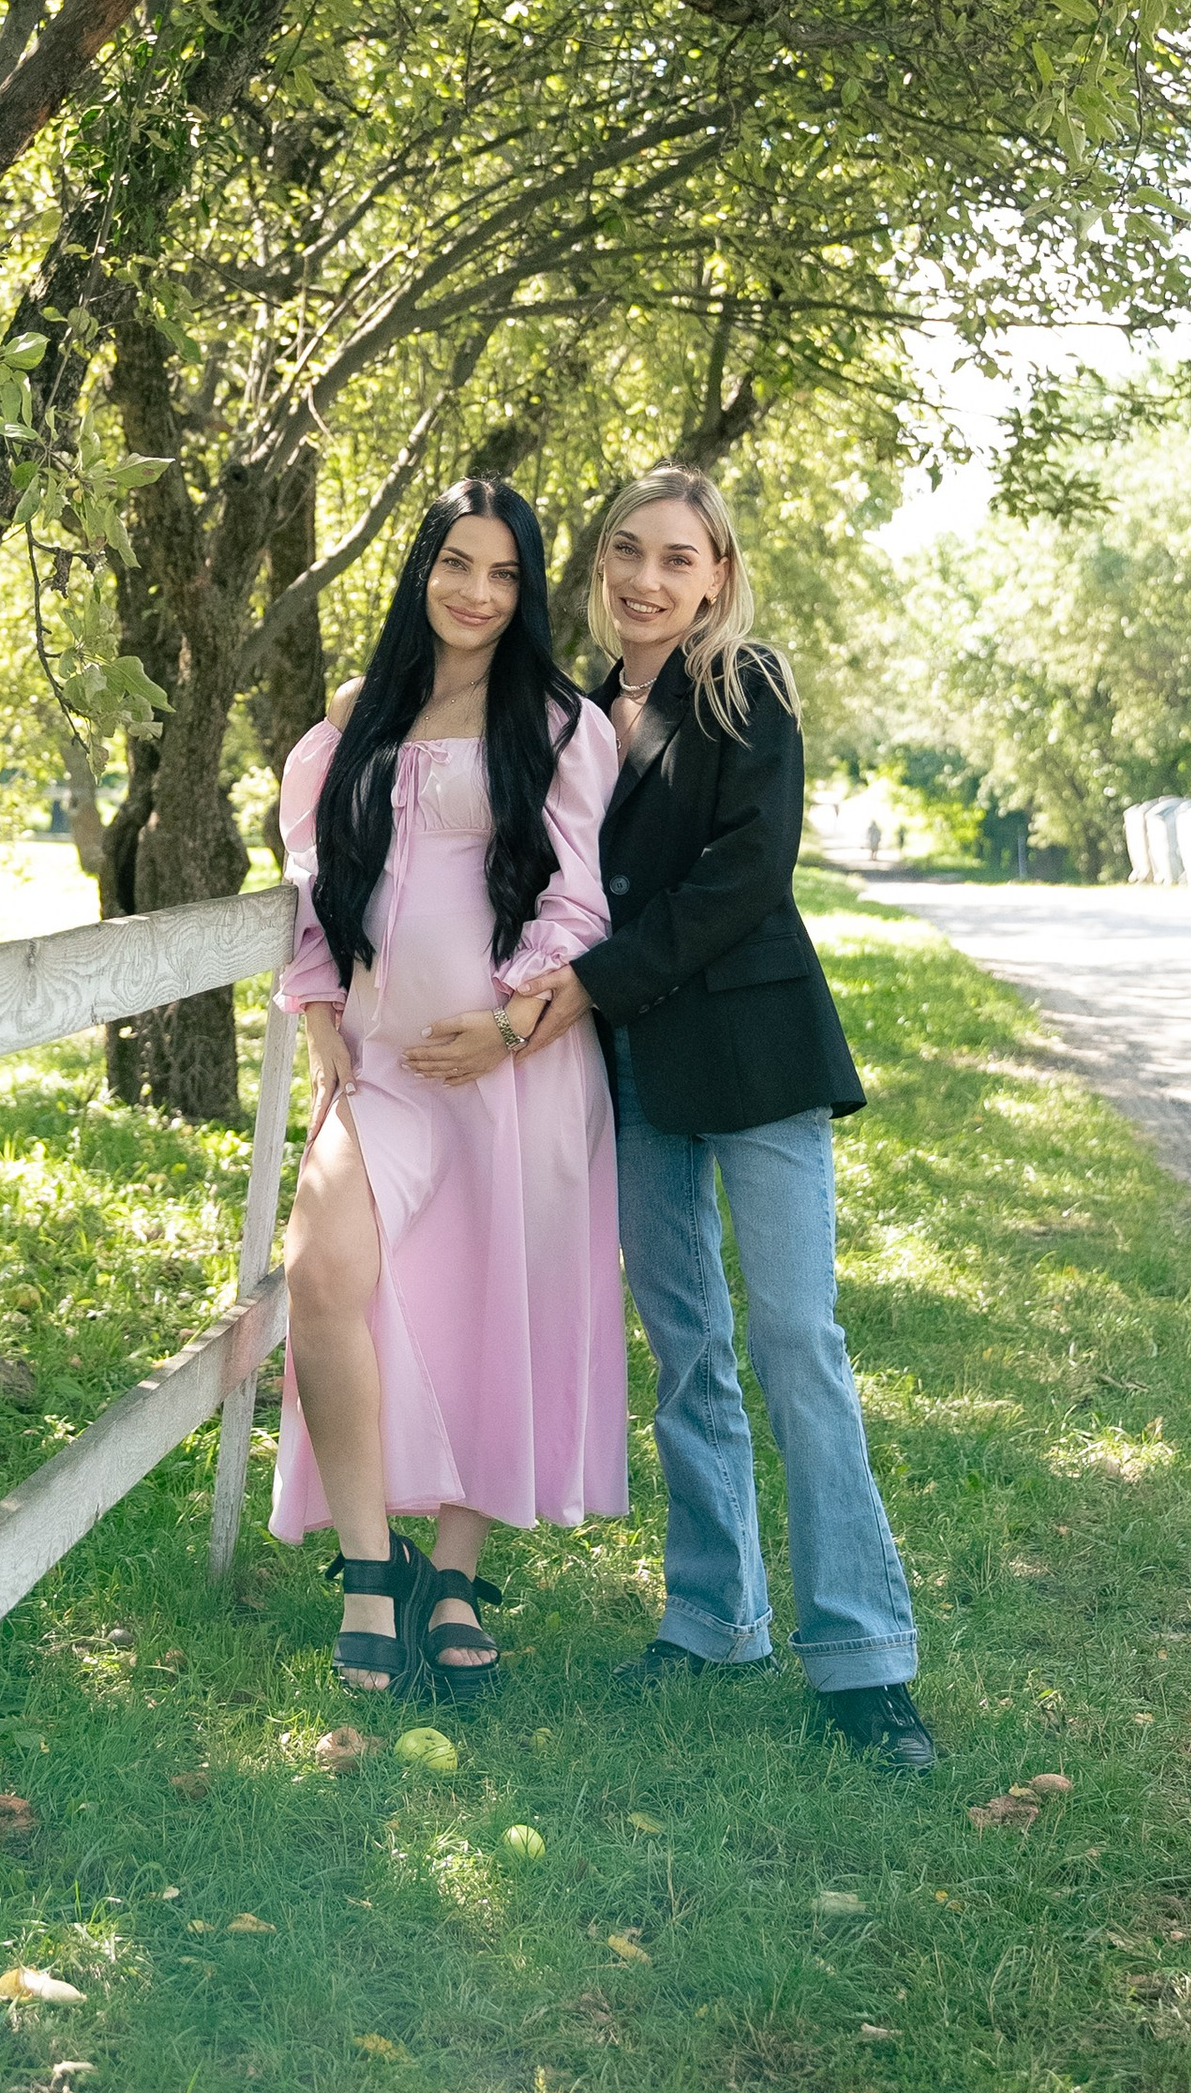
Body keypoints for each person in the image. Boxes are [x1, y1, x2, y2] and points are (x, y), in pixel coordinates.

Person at [521, 466, 936, 1770]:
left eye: (680, 560)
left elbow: (748, 873)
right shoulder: (574, 718)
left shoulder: (743, 690)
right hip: (638, 1071)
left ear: (718, 577)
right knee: (685, 1348)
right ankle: (711, 1615)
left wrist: (595, 980)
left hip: (752, 1056)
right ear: (600, 566)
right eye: (629, 553)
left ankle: (864, 1658)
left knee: (795, 1337)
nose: (650, 580)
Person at [274, 477, 626, 1700]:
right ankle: (370, 1570)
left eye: (504, 574)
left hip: (517, 1070)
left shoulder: (563, 725)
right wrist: (319, 1013)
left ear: (526, 592)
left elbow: (580, 898)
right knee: (321, 1276)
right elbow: (313, 877)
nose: (475, 593)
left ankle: (458, 1575)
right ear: (420, 568)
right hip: (385, 1071)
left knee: (500, 1302)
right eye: (455, 564)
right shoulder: (355, 721)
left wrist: (514, 1024)